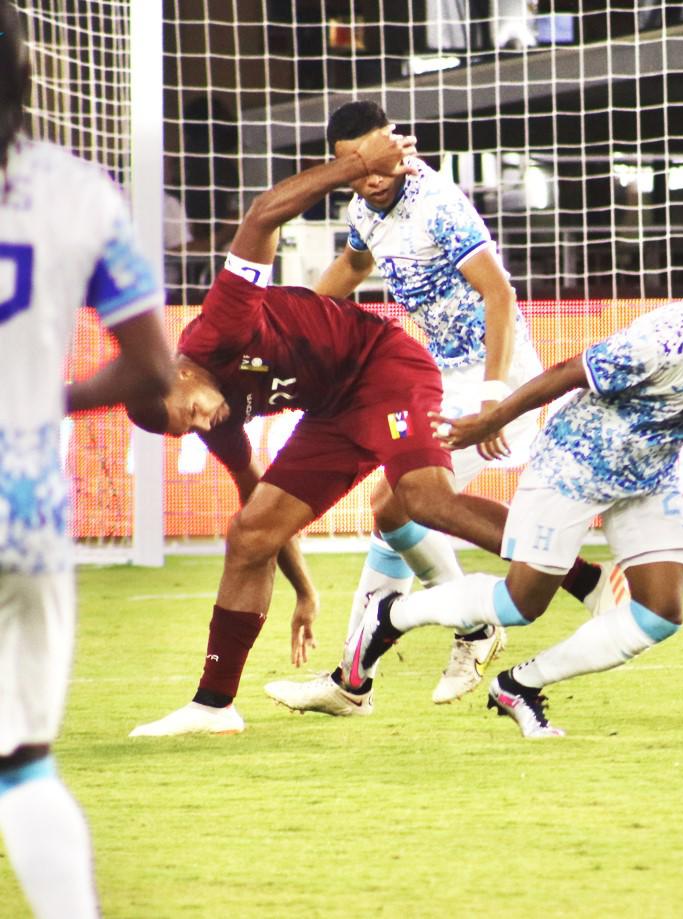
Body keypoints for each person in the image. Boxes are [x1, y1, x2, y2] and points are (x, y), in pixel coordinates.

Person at [123, 127, 516, 737]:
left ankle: (566, 582)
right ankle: (219, 705)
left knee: (415, 501)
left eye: (192, 412)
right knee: (257, 532)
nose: (204, 423)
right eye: (189, 430)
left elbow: (261, 216)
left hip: (420, 369)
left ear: (180, 372)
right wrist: (305, 592)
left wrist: (495, 395)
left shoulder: (220, 326)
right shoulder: (212, 413)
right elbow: (259, 501)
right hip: (345, 402)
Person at [338, 250, 683, 738]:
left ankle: (520, 686)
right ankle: (391, 613)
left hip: (649, 476)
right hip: (574, 460)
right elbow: (568, 371)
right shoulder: (671, 337)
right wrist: (493, 418)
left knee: (661, 613)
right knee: (521, 605)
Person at [263, 101, 626, 717]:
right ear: (343, 165)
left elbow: (500, 293)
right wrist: (285, 320)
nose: (376, 176)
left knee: (408, 502)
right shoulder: (362, 211)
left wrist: (493, 400)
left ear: (399, 149)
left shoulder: (437, 203)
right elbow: (354, 262)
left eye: (384, 158)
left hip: (494, 376)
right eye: (360, 165)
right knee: (391, 509)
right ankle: (364, 674)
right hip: (439, 377)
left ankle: (580, 584)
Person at [0, 5, 174, 915]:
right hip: (22, 497)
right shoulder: (80, 189)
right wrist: (40, 402)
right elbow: (155, 370)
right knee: (22, 763)